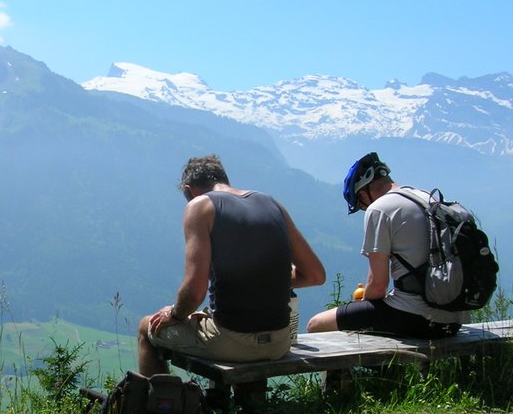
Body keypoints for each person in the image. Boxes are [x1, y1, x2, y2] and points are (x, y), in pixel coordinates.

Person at [137, 154, 326, 376]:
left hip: (231, 340)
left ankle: (161, 408)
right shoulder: (272, 204)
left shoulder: (199, 206)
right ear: (224, 179)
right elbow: (315, 275)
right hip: (280, 342)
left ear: (189, 191)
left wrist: (175, 315)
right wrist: (263, 281)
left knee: (146, 327)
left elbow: (194, 291)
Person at [307, 152, 469, 338]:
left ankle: (384, 368)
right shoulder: (427, 198)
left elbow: (377, 285)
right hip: (455, 318)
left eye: (361, 206)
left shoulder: (380, 209)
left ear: (363, 193)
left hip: (416, 316)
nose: (365, 209)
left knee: (316, 324)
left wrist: (363, 308)